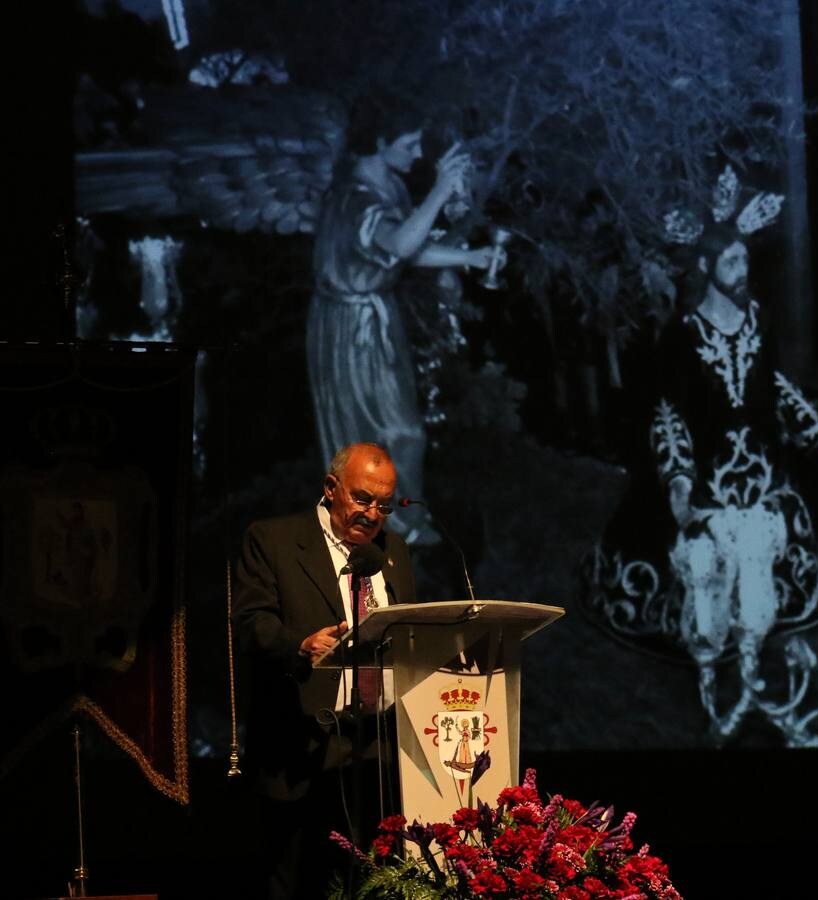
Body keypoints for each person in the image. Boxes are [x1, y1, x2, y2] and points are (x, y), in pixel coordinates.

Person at [585, 166, 818, 738]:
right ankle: (710, 658)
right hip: (705, 477)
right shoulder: (681, 336)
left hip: (759, 470)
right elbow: (669, 414)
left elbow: (775, 385)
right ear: (705, 267)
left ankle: (769, 643)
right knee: (692, 556)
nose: (743, 270)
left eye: (745, 260)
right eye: (732, 262)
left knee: (788, 532)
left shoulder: (759, 321)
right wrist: (680, 480)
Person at [308, 91, 503, 548]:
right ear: (378, 141)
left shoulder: (386, 189)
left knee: (402, 430)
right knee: (375, 435)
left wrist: (470, 256)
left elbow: (406, 246)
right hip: (348, 327)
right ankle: (380, 531)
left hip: (375, 316)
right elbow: (397, 243)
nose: (417, 154)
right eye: (409, 143)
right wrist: (439, 189)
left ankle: (399, 522)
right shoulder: (354, 199)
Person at [233, 442, 419, 899]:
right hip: (300, 748)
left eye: (384, 506)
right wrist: (299, 646)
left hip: (377, 753)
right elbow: (252, 623)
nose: (372, 514)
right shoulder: (273, 539)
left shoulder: (393, 550)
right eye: (362, 499)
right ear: (331, 487)